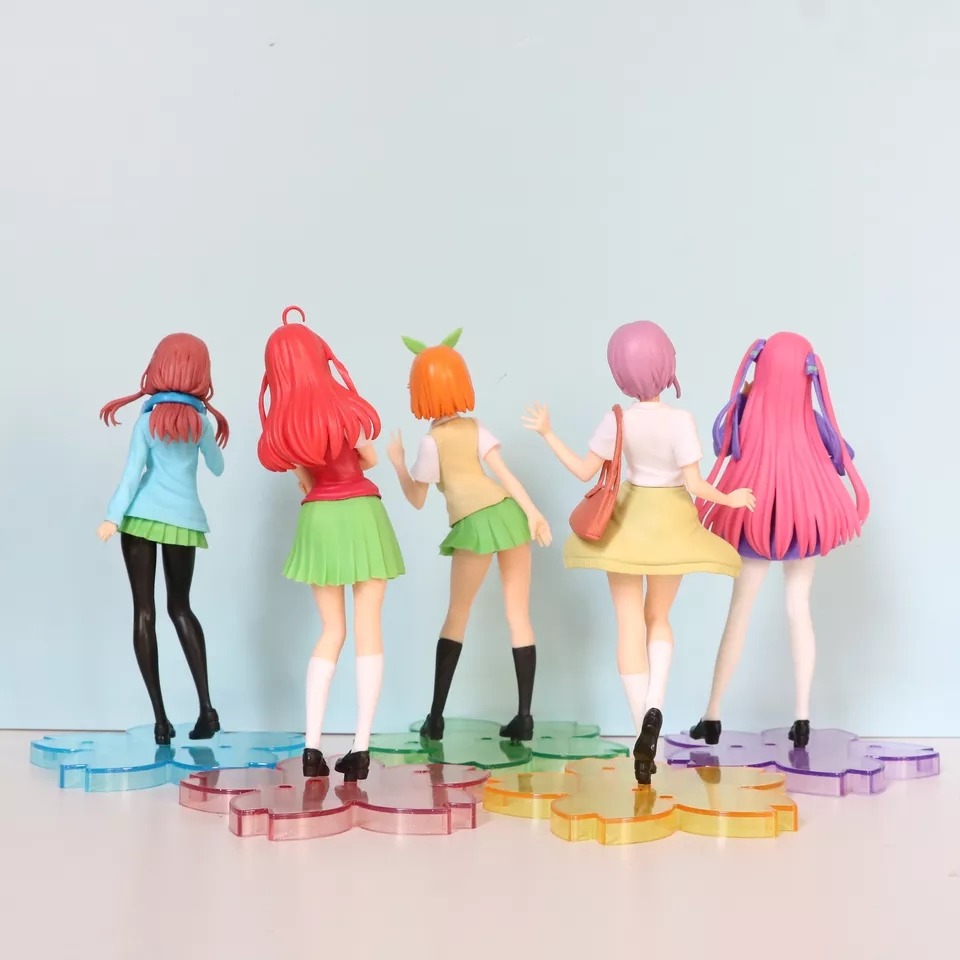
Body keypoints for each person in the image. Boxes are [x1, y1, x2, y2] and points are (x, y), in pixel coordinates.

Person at [523, 320, 754, 783]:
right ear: (665, 364)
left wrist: (547, 433)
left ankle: (642, 739)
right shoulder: (680, 421)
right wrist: (731, 499)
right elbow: (695, 485)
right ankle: (654, 707)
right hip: (670, 520)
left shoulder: (617, 420)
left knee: (628, 624)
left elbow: (583, 471)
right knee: (658, 619)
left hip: (627, 521)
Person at [687, 332, 869, 747]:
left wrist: (745, 397)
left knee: (739, 612)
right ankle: (802, 718)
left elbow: (720, 440)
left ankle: (712, 715)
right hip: (803, 522)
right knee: (798, 608)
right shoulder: (813, 423)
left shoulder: (745, 417)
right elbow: (842, 457)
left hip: (754, 520)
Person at [258, 306, 405, 782]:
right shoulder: (344, 409)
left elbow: (305, 482)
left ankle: (312, 747)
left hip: (319, 519)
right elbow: (369, 458)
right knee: (369, 628)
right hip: (362, 514)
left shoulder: (287, 424)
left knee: (330, 631)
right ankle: (360, 748)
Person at [388, 328, 551, 744]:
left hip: (475, 524)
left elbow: (417, 499)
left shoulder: (432, 442)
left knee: (457, 615)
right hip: (508, 514)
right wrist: (532, 513)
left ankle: (436, 717)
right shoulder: (476, 427)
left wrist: (398, 464)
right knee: (519, 614)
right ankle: (525, 718)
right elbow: (504, 475)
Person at [98, 333, 229, 746]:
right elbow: (218, 467)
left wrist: (112, 518)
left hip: (139, 519)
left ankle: (160, 720)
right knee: (181, 608)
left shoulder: (147, 422)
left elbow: (131, 475)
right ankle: (207, 708)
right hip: (183, 521)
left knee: (144, 611)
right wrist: (205, 437)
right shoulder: (200, 424)